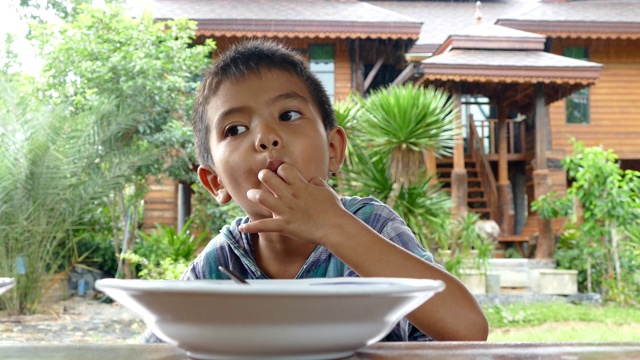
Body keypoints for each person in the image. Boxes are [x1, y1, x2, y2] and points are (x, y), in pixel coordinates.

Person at [141, 39, 488, 343]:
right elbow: (156, 347)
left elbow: (469, 329)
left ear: (334, 149)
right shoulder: (221, 262)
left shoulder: (371, 224)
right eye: (235, 129)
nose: (266, 137)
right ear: (215, 182)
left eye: (288, 114)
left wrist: (332, 226)